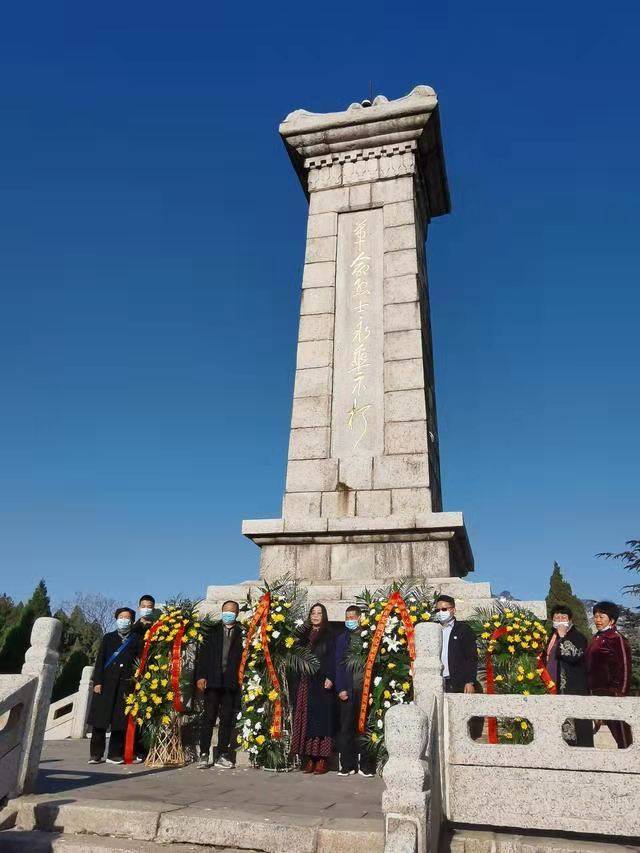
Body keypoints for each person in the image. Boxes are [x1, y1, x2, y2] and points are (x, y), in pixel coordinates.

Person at [87, 607, 142, 764]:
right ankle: (96, 754)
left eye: (127, 618)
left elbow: (138, 661)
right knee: (100, 720)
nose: (124, 620)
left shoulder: (136, 639)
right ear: (116, 619)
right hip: (106, 683)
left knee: (120, 720)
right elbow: (100, 661)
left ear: (132, 621)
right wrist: (97, 681)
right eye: (121, 617)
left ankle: (114, 754)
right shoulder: (108, 638)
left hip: (126, 684)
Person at [194, 600, 243, 768]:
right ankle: (204, 754)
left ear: (236, 614)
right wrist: (201, 676)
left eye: (231, 611)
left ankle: (222, 753)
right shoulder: (212, 631)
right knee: (208, 717)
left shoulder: (242, 633)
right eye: (225, 611)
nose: (228, 614)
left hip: (230, 681)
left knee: (227, 718)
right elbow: (203, 656)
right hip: (213, 680)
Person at [290, 602, 336, 775]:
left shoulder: (330, 635)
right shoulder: (302, 635)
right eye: (313, 613)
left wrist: (331, 676)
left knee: (321, 720)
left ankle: (322, 759)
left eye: (319, 613)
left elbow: (334, 658)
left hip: (321, 681)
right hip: (304, 682)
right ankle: (309, 758)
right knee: (305, 719)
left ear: (324, 616)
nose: (316, 616)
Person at [543, 604, 593, 747]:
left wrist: (563, 637)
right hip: (552, 687)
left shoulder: (578, 636)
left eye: (563, 617)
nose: (559, 620)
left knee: (577, 728)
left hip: (572, 688)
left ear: (570, 620)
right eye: (556, 617)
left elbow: (574, 655)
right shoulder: (550, 636)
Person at [334, 605, 375, 777]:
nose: (350, 620)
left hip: (365, 690)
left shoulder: (369, 636)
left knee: (365, 729)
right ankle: (347, 765)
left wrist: (373, 690)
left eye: (353, 617)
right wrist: (341, 688)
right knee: (346, 728)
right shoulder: (342, 639)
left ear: (360, 618)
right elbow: (338, 665)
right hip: (348, 690)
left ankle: (366, 766)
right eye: (347, 617)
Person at [586, 601, 633, 749]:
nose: (597, 620)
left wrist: (621, 692)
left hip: (612, 693)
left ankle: (630, 762)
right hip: (596, 691)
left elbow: (625, 667)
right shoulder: (596, 638)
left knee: (621, 732)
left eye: (602, 616)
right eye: (595, 616)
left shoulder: (616, 638)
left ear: (611, 620)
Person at [434, 595, 478, 693]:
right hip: (435, 681)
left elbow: (471, 657)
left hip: (456, 682)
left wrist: (469, 682)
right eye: (438, 610)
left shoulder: (463, 630)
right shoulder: (432, 629)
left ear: (453, 610)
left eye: (444, 609)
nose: (441, 612)